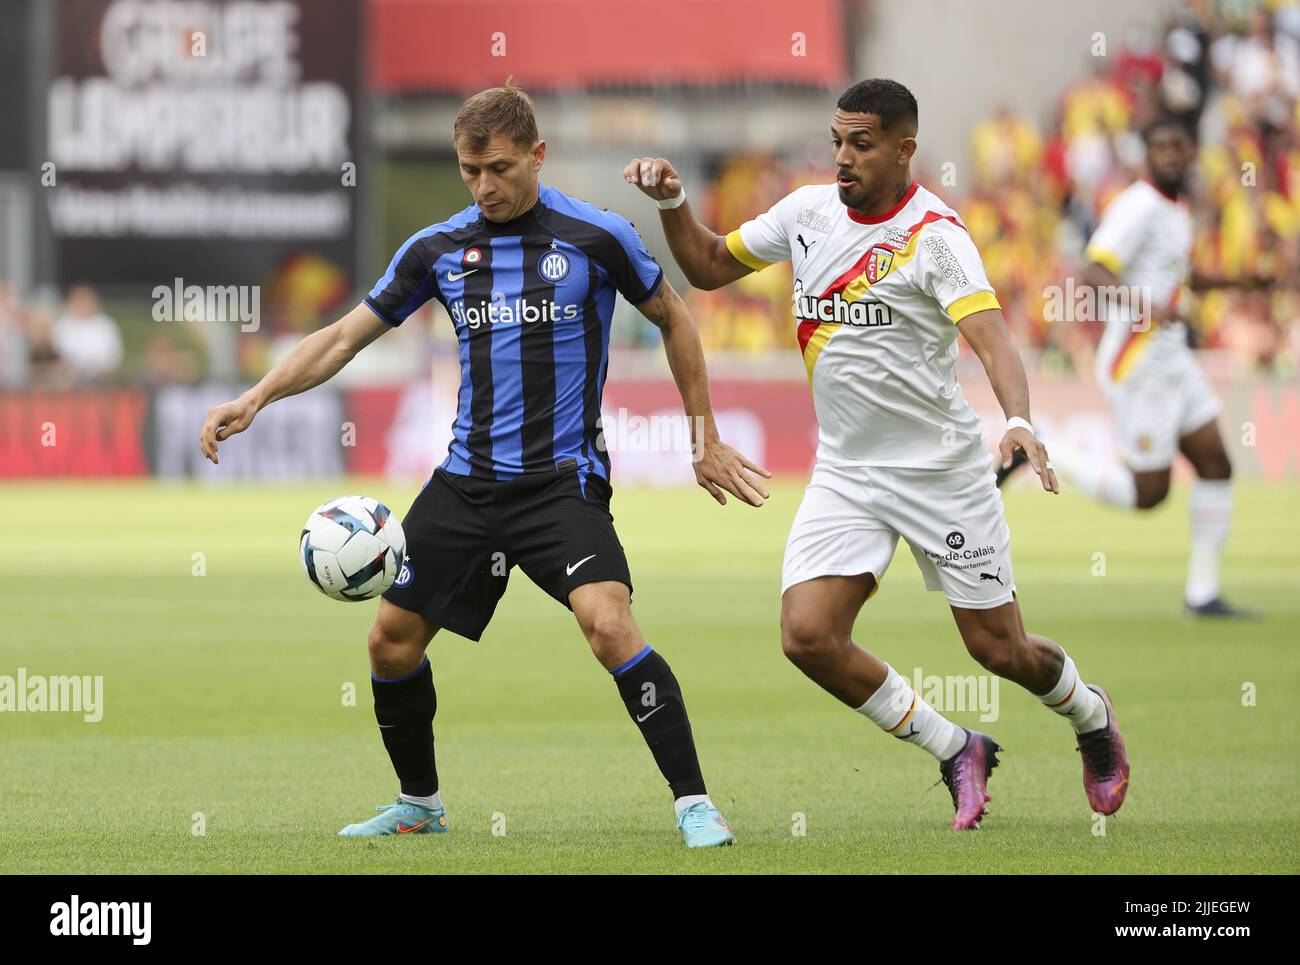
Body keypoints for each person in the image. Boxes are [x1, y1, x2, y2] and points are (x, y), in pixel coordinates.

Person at [201, 81, 770, 847]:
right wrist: (257, 396)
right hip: (466, 483)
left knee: (608, 624)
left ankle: (694, 803)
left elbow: (676, 317)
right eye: (470, 171)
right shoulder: (437, 249)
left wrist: (703, 437)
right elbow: (341, 338)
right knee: (389, 642)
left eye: (499, 167)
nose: (484, 186)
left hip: (560, 484)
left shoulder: (596, 235)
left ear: (538, 155)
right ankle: (419, 803)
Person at [624, 78, 1129, 829]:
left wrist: (1020, 419)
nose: (843, 157)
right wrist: (673, 203)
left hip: (941, 473)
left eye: (860, 144)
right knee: (807, 635)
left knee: (1001, 651)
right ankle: (955, 745)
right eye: (837, 141)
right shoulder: (806, 213)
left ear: (903, 149)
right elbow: (705, 265)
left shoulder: (936, 237)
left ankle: (1090, 713)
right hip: (847, 470)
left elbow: (993, 341)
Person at [1013, 117, 1255, 618]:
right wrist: (1146, 308)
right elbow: (1092, 269)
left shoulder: (1176, 208)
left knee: (1217, 465)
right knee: (1149, 494)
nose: (1170, 155)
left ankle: (1203, 594)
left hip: (1174, 361)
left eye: (1178, 146)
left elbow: (1180, 279)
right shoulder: (1138, 205)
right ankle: (1044, 445)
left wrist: (1243, 283)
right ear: (1147, 155)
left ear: (1190, 152)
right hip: (1139, 364)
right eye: (1160, 146)